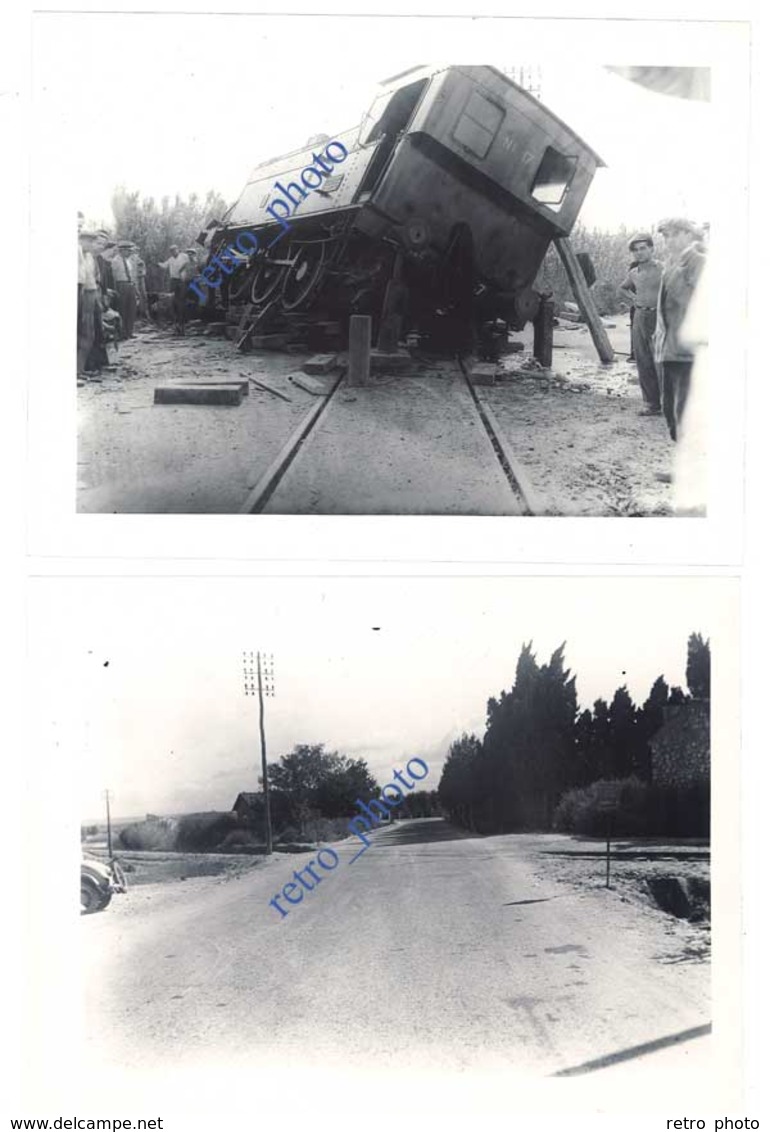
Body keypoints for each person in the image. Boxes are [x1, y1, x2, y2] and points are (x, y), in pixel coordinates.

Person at [654, 217, 707, 442]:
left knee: (686, 409)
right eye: (666, 235)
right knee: (670, 408)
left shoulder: (699, 262)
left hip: (688, 350)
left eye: (675, 234)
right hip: (669, 348)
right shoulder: (672, 264)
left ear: (688, 234)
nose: (669, 240)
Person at [619, 232, 663, 417]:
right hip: (639, 317)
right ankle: (651, 404)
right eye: (636, 250)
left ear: (652, 249)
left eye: (643, 248)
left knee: (662, 361)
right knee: (643, 360)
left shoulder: (663, 268)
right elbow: (622, 289)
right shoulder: (633, 272)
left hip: (659, 318)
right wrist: (633, 299)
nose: (639, 253)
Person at [158, 244, 191, 335]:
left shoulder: (184, 256)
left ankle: (182, 324)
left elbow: (189, 264)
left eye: (174, 250)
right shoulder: (171, 259)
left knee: (182, 301)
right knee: (174, 301)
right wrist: (158, 264)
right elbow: (164, 266)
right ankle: (177, 324)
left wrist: (182, 270)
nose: (173, 252)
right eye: (171, 251)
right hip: (174, 281)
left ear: (178, 250)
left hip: (182, 280)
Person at [112, 239, 139, 338]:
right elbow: (113, 277)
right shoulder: (115, 261)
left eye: (131, 251)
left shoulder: (130, 261)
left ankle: (129, 332)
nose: (130, 253)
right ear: (122, 250)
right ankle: (122, 333)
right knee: (122, 309)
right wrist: (115, 290)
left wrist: (135, 288)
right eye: (128, 251)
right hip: (121, 285)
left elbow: (132, 274)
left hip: (130, 285)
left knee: (132, 309)